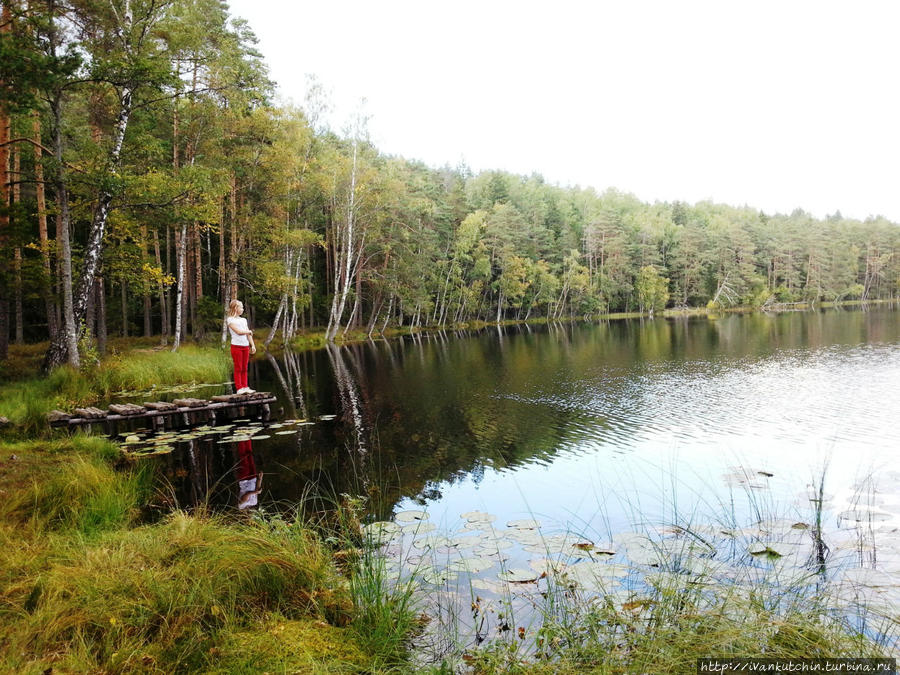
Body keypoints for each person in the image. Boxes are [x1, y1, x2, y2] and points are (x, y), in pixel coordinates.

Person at [226, 299, 256, 395]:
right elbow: (238, 332)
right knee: (238, 367)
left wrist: (252, 345)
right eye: (241, 307)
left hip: (245, 346)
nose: (243, 309)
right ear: (235, 308)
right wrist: (249, 331)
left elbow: (248, 334)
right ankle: (239, 388)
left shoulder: (243, 320)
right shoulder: (230, 319)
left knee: (244, 367)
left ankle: (245, 387)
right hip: (236, 346)